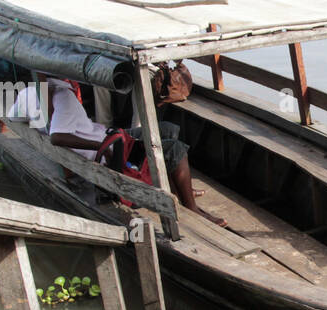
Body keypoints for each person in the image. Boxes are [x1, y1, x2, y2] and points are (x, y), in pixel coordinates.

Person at [15, 72, 227, 228]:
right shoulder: (62, 95)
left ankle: (177, 189)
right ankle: (191, 206)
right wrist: (102, 146)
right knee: (175, 149)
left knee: (167, 129)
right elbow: (57, 137)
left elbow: (13, 118)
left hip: (109, 135)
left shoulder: (28, 93)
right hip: (110, 146)